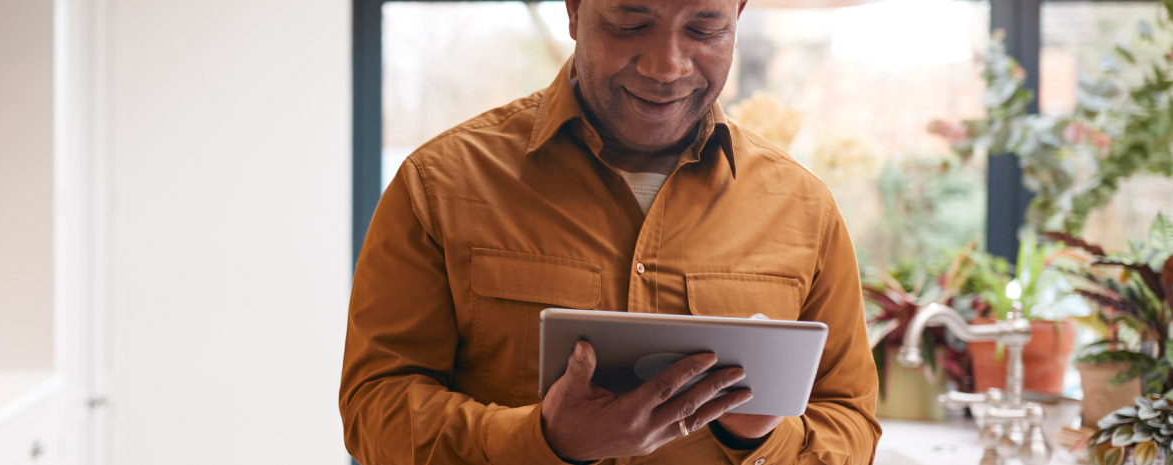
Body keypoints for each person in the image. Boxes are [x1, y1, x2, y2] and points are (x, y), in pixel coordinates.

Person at [339, 0, 880, 463]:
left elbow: (851, 424)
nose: (667, 66)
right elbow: (374, 409)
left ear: (738, 15)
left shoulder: (805, 209)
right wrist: (542, 441)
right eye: (629, 23)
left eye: (705, 28)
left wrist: (760, 436)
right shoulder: (438, 185)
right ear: (574, 11)